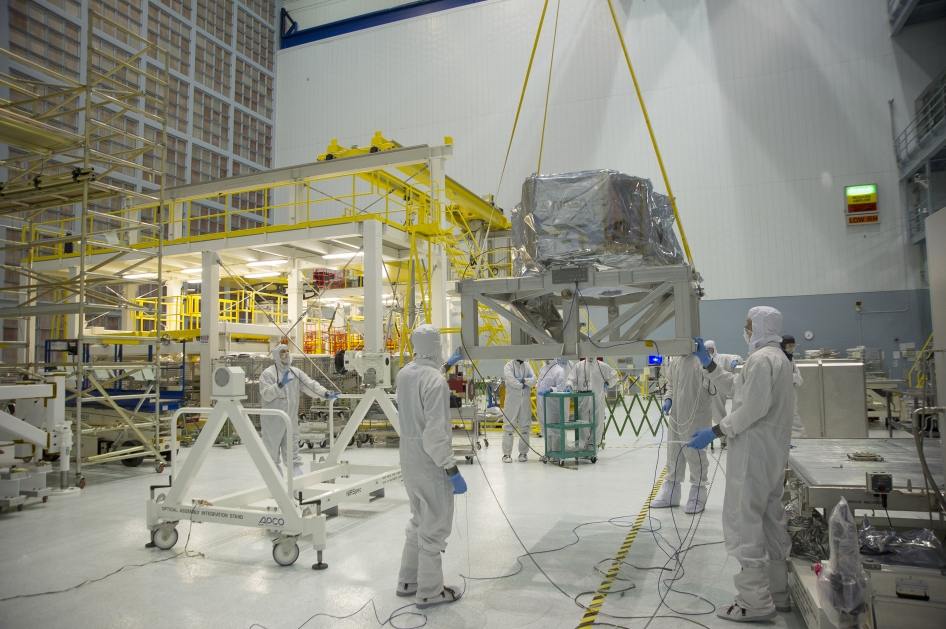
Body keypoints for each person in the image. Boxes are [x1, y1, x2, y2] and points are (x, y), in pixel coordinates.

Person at [686, 307, 796, 622]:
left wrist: (716, 430)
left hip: (753, 451)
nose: (745, 329)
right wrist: (708, 364)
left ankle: (755, 602)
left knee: (743, 520)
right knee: (770, 519)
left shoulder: (763, 361)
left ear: (761, 326)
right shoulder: (774, 359)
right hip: (771, 454)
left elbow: (752, 408)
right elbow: (738, 389)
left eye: (749, 324)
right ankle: (777, 593)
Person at [394, 324, 467, 609]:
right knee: (435, 524)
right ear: (436, 345)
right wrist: (451, 469)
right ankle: (429, 592)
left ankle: (407, 581)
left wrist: (449, 364)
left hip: (408, 457)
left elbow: (426, 375)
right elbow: (435, 433)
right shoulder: (436, 381)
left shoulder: (405, 373)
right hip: (430, 460)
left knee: (418, 519)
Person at [259, 345, 339, 477]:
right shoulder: (268, 374)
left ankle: (296, 488)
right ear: (276, 356)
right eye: (282, 352)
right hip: (272, 422)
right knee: (271, 456)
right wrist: (280, 384)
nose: (286, 354)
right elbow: (266, 394)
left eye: (287, 351)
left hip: (290, 420)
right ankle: (276, 487)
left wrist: (325, 393)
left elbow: (310, 385)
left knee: (293, 456)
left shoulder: (295, 372)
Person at [650, 352, 712, 514]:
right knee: (674, 453)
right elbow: (671, 384)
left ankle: (697, 496)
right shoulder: (676, 360)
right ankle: (670, 495)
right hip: (676, 415)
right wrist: (669, 398)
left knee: (695, 455)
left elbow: (713, 384)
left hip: (696, 415)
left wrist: (708, 364)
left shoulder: (700, 360)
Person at [563, 357, 618, 451]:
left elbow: (614, 376)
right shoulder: (579, 366)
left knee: (597, 422)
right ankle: (582, 446)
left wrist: (608, 383)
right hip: (583, 399)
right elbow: (571, 379)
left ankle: (593, 446)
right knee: (582, 423)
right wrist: (569, 385)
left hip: (597, 398)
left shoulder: (602, 366)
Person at [705, 340, 744, 450]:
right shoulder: (701, 360)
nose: (710, 351)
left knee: (720, 413)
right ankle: (723, 438)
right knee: (712, 414)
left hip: (720, 389)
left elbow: (736, 357)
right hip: (707, 389)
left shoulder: (722, 357)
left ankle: (726, 438)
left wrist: (735, 362)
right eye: (707, 349)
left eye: (711, 349)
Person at [502, 359, 537, 462]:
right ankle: (507, 455)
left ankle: (523, 453)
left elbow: (534, 380)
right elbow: (512, 382)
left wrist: (522, 380)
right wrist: (525, 382)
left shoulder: (527, 366)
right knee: (509, 426)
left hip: (525, 400)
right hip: (512, 401)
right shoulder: (508, 366)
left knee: (525, 427)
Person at [536, 358, 571, 454]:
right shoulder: (543, 369)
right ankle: (549, 452)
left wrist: (550, 390)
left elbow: (561, 388)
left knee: (555, 429)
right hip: (543, 404)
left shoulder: (559, 370)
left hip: (553, 405)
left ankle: (556, 453)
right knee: (546, 429)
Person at [780, 335, 806, 439]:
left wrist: (792, 378)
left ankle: (798, 435)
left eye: (793, 345)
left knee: (793, 414)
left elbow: (798, 379)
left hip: (791, 394)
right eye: (789, 345)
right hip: (781, 394)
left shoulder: (791, 360)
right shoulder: (779, 358)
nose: (791, 348)